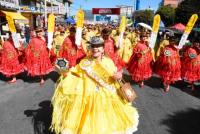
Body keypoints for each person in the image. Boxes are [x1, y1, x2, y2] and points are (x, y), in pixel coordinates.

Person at [51, 36, 139, 134]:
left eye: (98, 46)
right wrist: (64, 71)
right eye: (93, 46)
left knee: (106, 121)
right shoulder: (85, 62)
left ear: (102, 49)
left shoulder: (108, 61)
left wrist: (119, 76)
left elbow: (115, 75)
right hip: (89, 96)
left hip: (107, 95)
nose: (95, 48)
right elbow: (75, 72)